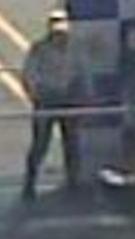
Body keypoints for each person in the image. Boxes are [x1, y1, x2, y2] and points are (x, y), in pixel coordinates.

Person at [21, 10, 93, 201]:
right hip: (47, 99)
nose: (60, 36)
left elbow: (84, 71)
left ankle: (73, 181)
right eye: (56, 32)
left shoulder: (76, 48)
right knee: (40, 143)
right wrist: (36, 93)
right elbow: (30, 72)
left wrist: (86, 95)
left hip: (69, 98)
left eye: (62, 33)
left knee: (72, 142)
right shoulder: (38, 48)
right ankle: (29, 182)